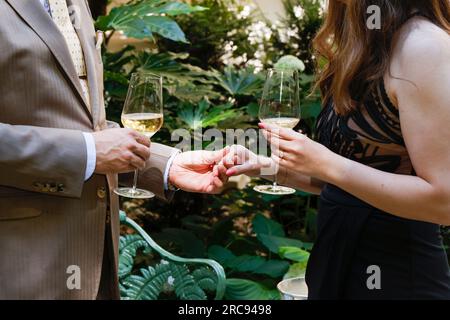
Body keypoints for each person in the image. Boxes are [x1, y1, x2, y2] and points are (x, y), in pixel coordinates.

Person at [0, 0, 228, 299]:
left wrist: (167, 165)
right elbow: (90, 146)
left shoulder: (75, 4)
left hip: (96, 264)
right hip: (22, 266)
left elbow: (84, 125)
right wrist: (87, 152)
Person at [224, 0, 450, 299]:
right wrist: (264, 167)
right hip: (335, 267)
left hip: (395, 278)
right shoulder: (367, 44)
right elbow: (349, 185)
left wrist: (327, 163)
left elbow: (443, 202)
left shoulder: (424, 45)